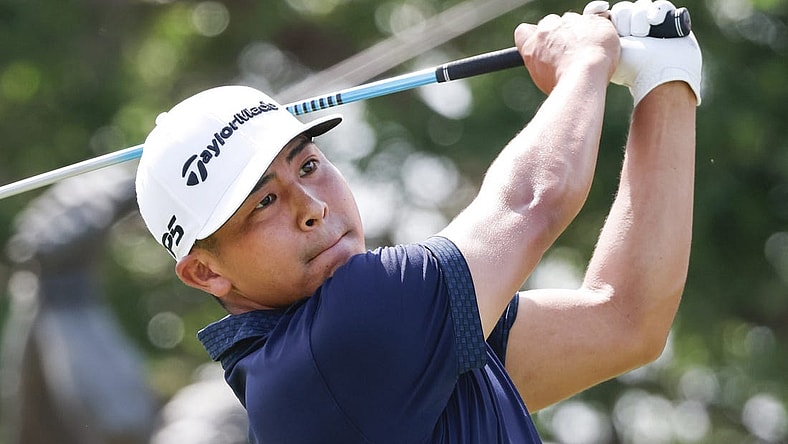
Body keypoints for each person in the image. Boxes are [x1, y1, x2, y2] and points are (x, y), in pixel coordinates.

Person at [134, 1, 702, 442]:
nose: (312, 207)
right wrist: (584, 62)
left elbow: (626, 319)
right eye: (262, 203)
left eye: (308, 165)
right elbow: (533, 200)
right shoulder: (342, 341)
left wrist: (667, 79)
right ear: (205, 272)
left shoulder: (393, 351)